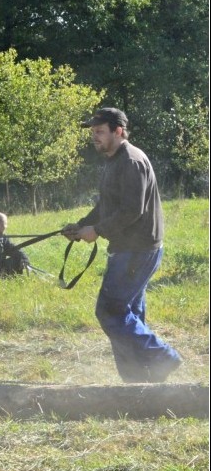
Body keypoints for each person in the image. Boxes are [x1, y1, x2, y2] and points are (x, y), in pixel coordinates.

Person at [62, 107, 182, 383]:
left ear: (118, 131)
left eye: (100, 132)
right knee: (129, 315)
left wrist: (98, 230)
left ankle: (163, 357)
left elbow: (131, 211)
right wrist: (81, 227)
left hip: (137, 249)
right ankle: (140, 381)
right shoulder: (114, 161)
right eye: (93, 132)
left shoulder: (131, 161)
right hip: (127, 248)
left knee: (110, 310)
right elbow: (106, 205)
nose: (95, 137)